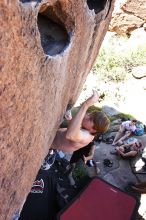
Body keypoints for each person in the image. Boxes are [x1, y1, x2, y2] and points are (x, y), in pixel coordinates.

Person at [19, 91, 110, 220]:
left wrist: (86, 105)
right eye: (90, 114)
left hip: (47, 151)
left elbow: (70, 135)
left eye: (90, 118)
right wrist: (71, 120)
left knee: (25, 177)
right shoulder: (85, 130)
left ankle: (18, 208)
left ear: (94, 130)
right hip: (48, 145)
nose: (87, 116)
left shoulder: (87, 137)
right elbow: (73, 130)